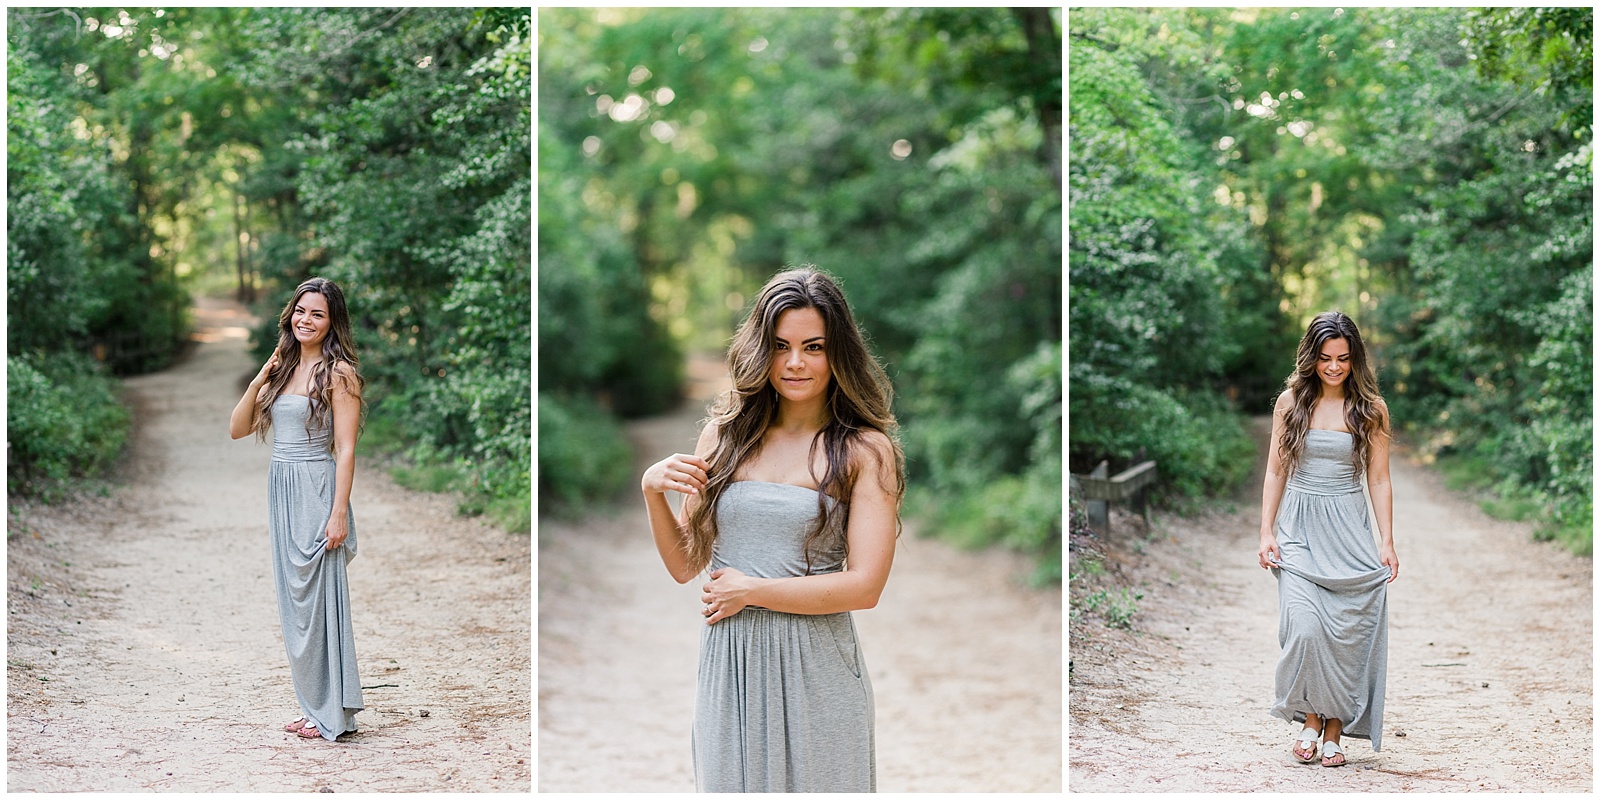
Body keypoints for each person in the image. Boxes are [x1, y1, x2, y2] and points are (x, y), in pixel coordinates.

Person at [642, 267, 905, 792]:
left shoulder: (863, 450)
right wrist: (653, 493)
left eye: (813, 346)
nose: (795, 363)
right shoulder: (723, 437)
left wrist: (753, 591)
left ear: (838, 354)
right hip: (730, 667)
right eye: (780, 346)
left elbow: (866, 587)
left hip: (818, 668)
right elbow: (685, 565)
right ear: (760, 349)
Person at [1256, 310, 1398, 768]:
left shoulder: (1370, 409)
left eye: (1342, 357)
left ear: (1355, 357)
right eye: (1324, 358)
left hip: (1348, 531)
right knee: (1305, 628)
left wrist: (1387, 541)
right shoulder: (1291, 402)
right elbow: (1276, 469)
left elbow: (1379, 480)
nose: (1334, 367)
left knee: (1345, 634)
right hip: (1299, 529)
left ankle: (1330, 727)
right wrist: (1266, 531)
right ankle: (1310, 719)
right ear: (1311, 358)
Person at [229, 277, 366, 742]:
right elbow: (237, 429)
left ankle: (330, 710)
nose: (306, 320)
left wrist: (339, 512)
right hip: (281, 488)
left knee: (317, 601)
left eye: (318, 314)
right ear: (290, 314)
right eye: (300, 311)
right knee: (294, 605)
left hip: (316, 487)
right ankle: (313, 706)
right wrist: (258, 378)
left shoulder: (340, 373)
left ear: (332, 323)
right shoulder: (282, 368)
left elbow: (345, 449)